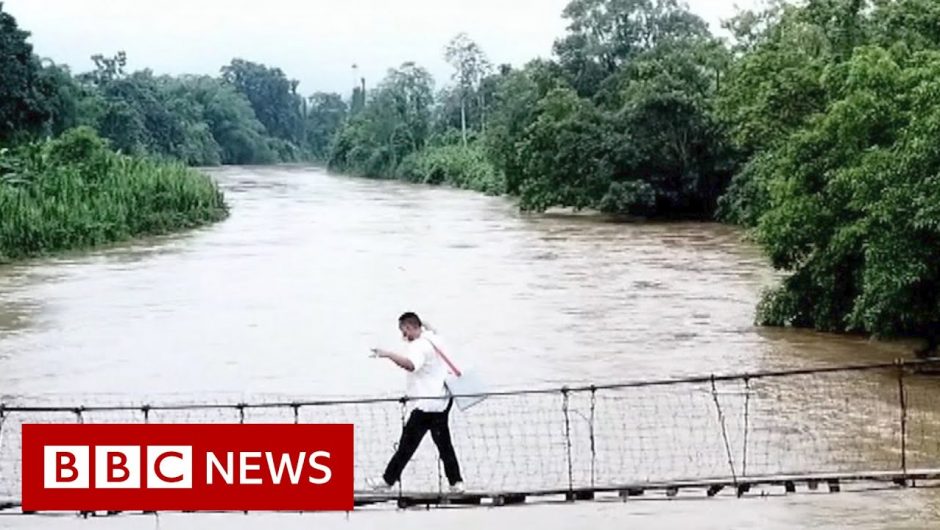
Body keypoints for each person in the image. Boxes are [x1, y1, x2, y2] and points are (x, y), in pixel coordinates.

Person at [367, 312, 465, 493]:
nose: (403, 336)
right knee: (444, 444)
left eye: (404, 331)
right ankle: (456, 482)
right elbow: (431, 328)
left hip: (427, 406)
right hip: (442, 400)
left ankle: (387, 481)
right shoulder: (434, 339)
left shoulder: (419, 346)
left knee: (407, 445)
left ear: (410, 327)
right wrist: (424, 324)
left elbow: (411, 365)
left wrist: (387, 354)